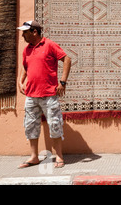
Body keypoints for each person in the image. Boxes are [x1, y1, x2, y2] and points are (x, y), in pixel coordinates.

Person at [16, 20, 71, 169]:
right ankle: (34, 157)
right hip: (31, 95)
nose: (22, 35)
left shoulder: (49, 45)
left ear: (34, 32)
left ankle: (59, 156)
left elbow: (67, 59)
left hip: (49, 95)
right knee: (30, 125)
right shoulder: (26, 49)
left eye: (25, 32)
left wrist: (63, 82)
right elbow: (25, 67)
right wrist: (21, 81)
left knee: (55, 124)